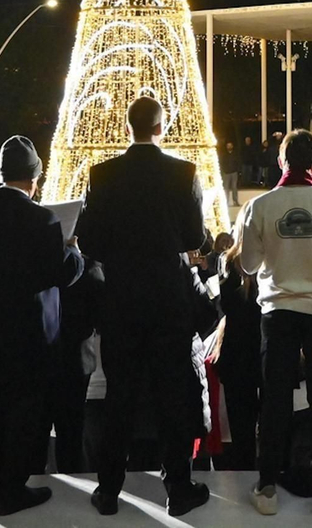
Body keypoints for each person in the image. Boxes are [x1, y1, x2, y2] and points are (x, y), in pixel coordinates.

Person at [75, 97, 211, 517]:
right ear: (160, 128)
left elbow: (88, 241)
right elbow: (194, 237)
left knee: (120, 397)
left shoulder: (102, 174)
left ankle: (109, 490)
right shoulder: (184, 172)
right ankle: (178, 488)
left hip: (120, 301)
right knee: (172, 395)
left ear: (127, 128)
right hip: (168, 300)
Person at [0, 136, 85, 514]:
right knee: (23, 410)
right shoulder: (42, 218)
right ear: (34, 179)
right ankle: (12, 489)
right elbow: (61, 273)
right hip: (29, 332)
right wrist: (73, 250)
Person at [234, 128, 312, 516]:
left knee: (274, 401)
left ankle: (267, 487)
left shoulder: (260, 206)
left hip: (278, 311)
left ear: (280, 161)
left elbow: (248, 265)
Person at [215, 238, 262, 471]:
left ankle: (245, 472)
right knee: (274, 421)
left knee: (241, 428)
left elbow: (222, 307)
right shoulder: (272, 260)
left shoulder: (227, 263)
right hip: (266, 348)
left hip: (235, 352)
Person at [222, 141, 241, 208]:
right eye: (228, 145)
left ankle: (235, 201)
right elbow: (222, 163)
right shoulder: (224, 155)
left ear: (232, 146)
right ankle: (226, 202)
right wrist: (224, 170)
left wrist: (237, 170)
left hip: (234, 172)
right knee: (226, 188)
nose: (229, 147)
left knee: (234, 187)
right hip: (226, 173)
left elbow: (238, 162)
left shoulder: (235, 154)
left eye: (230, 145)